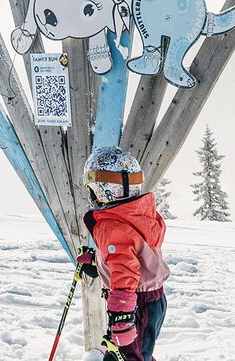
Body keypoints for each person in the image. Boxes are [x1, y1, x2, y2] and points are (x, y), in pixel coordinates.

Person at [76, 146, 169, 361]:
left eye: (91, 187)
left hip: (134, 303)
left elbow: (125, 272)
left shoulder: (113, 225)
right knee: (137, 354)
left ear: (104, 188)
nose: (90, 193)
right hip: (150, 300)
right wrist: (99, 261)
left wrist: (122, 318)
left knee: (127, 357)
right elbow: (129, 256)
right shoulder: (135, 215)